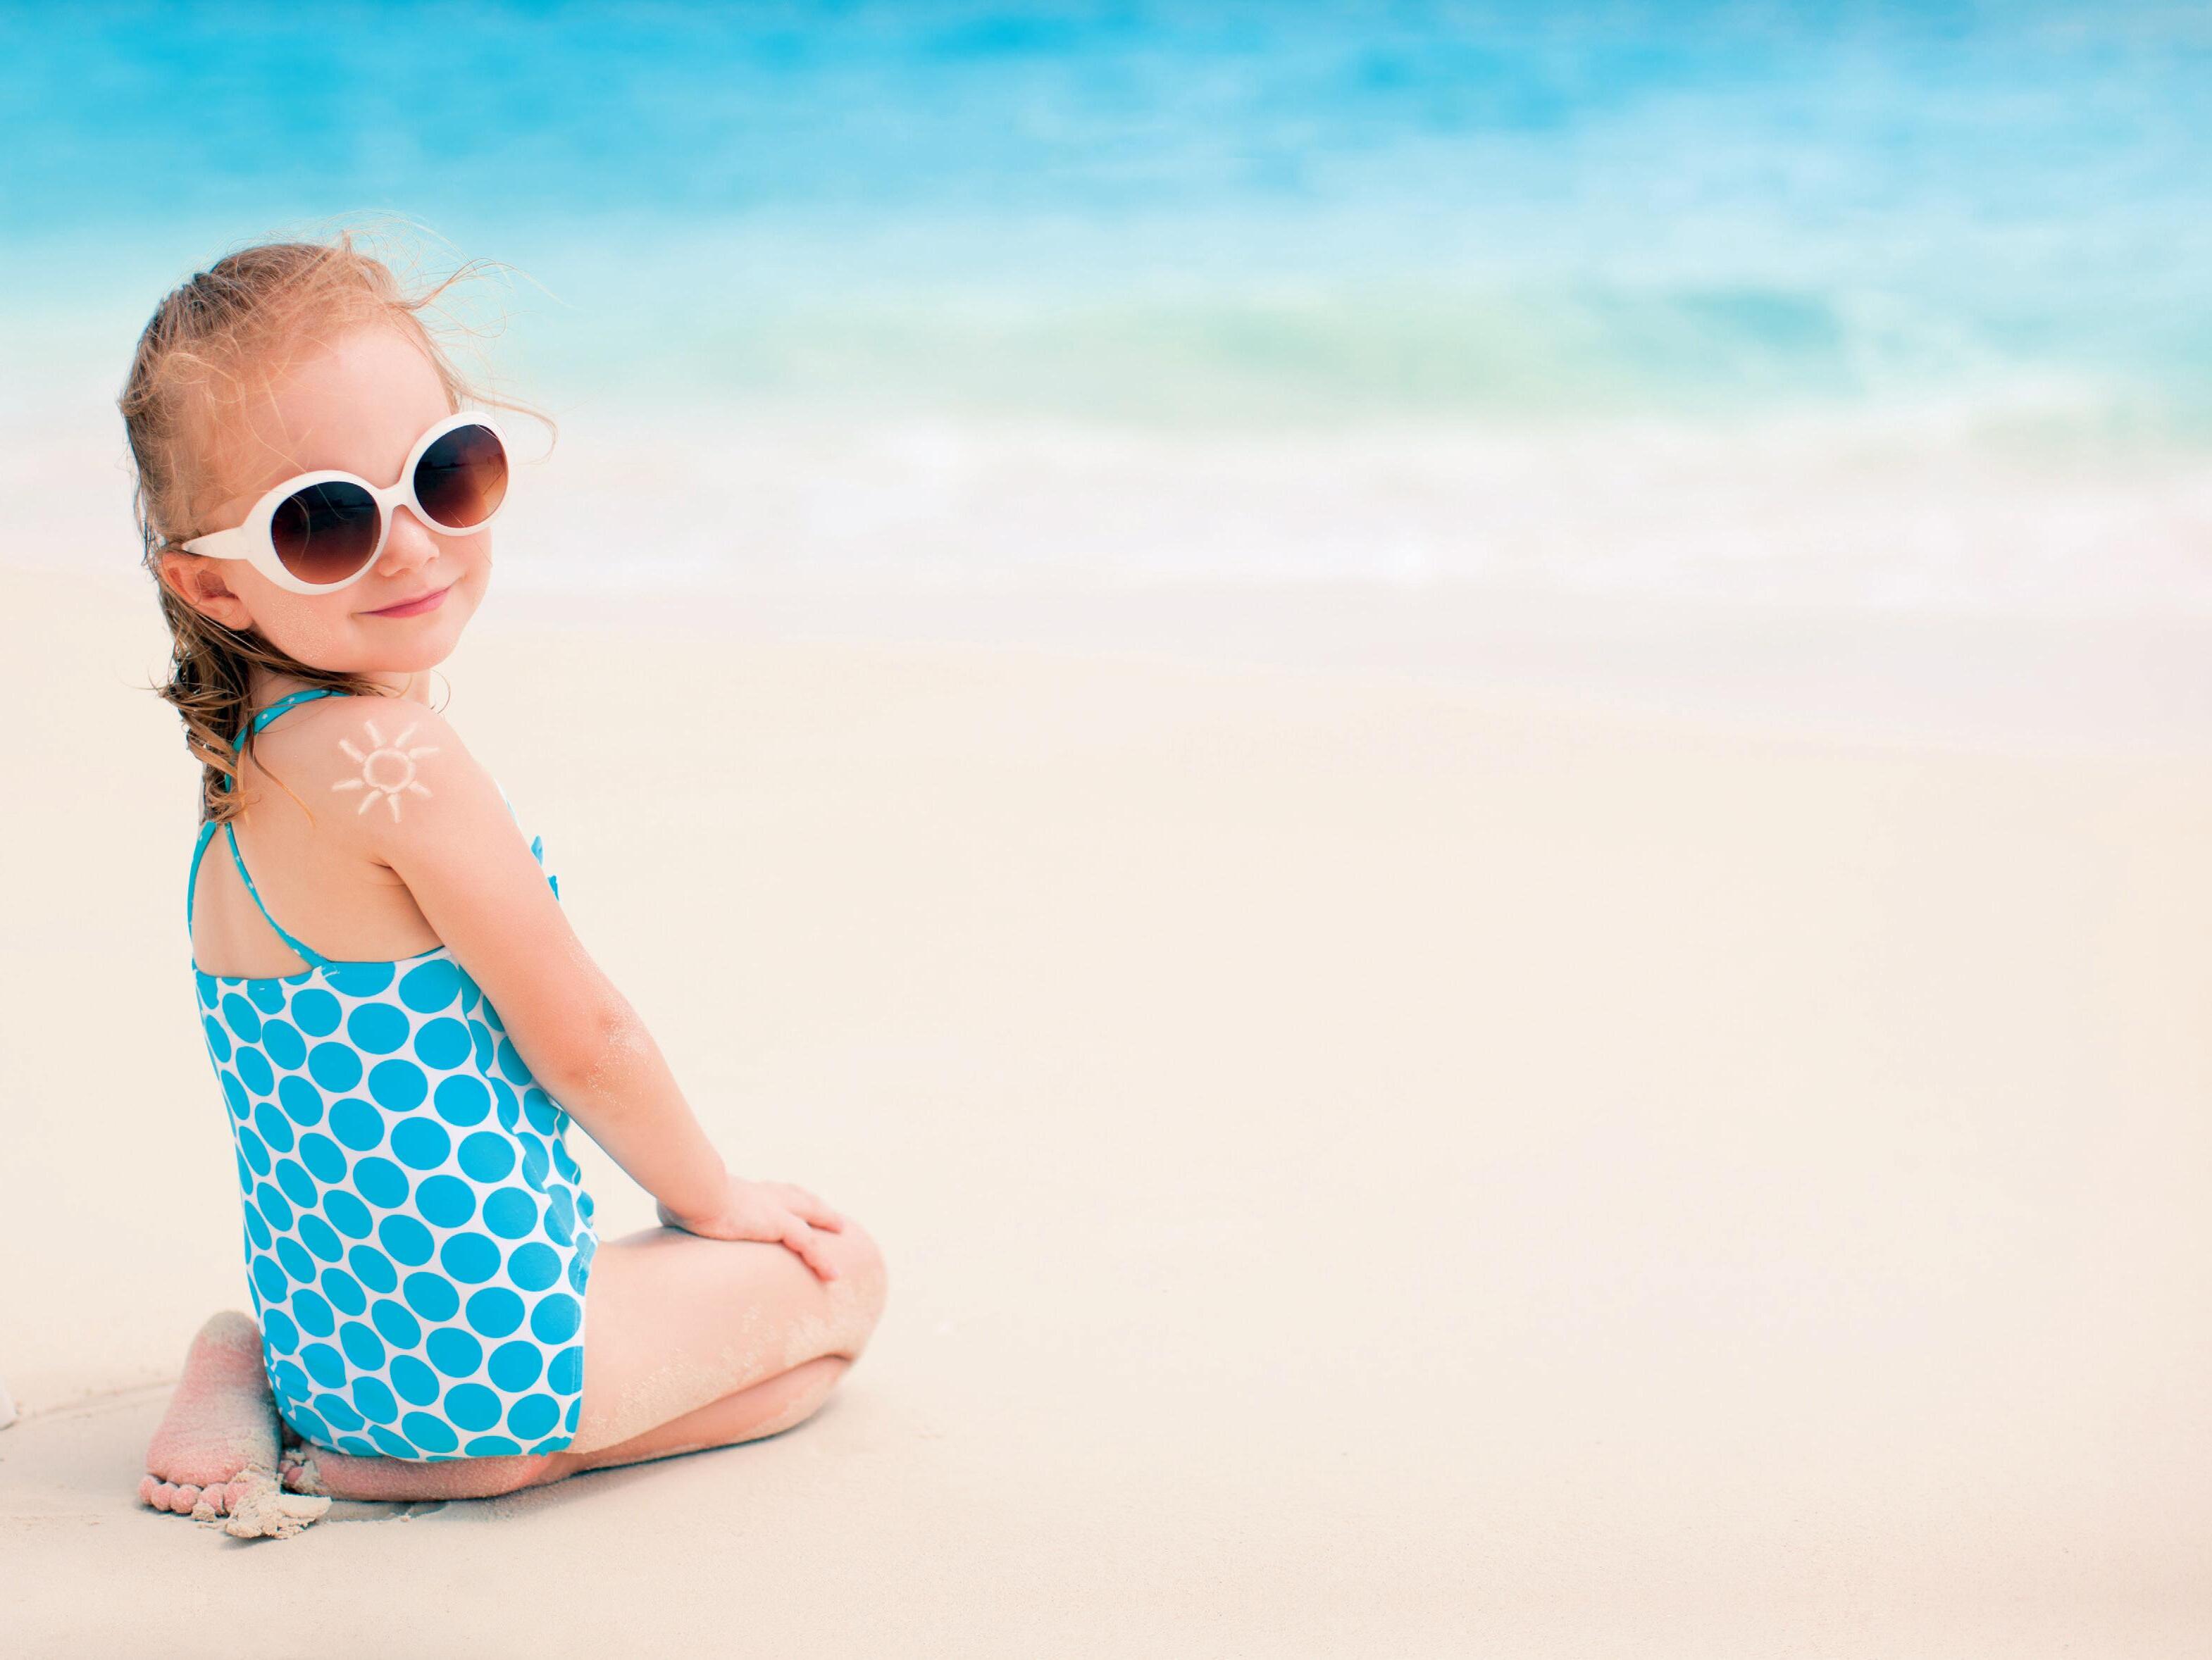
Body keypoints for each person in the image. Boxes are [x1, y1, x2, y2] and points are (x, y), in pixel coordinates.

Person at [121, 233, 888, 1537]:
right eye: (325, 522)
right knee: (841, 1282)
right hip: (491, 1353)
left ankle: (308, 1390)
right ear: (210, 583)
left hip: (334, 1345)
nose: (411, 545)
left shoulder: (248, 773)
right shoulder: (397, 760)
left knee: (790, 1368)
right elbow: (585, 1036)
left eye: (444, 473)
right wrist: (713, 1201)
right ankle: (487, 1455)